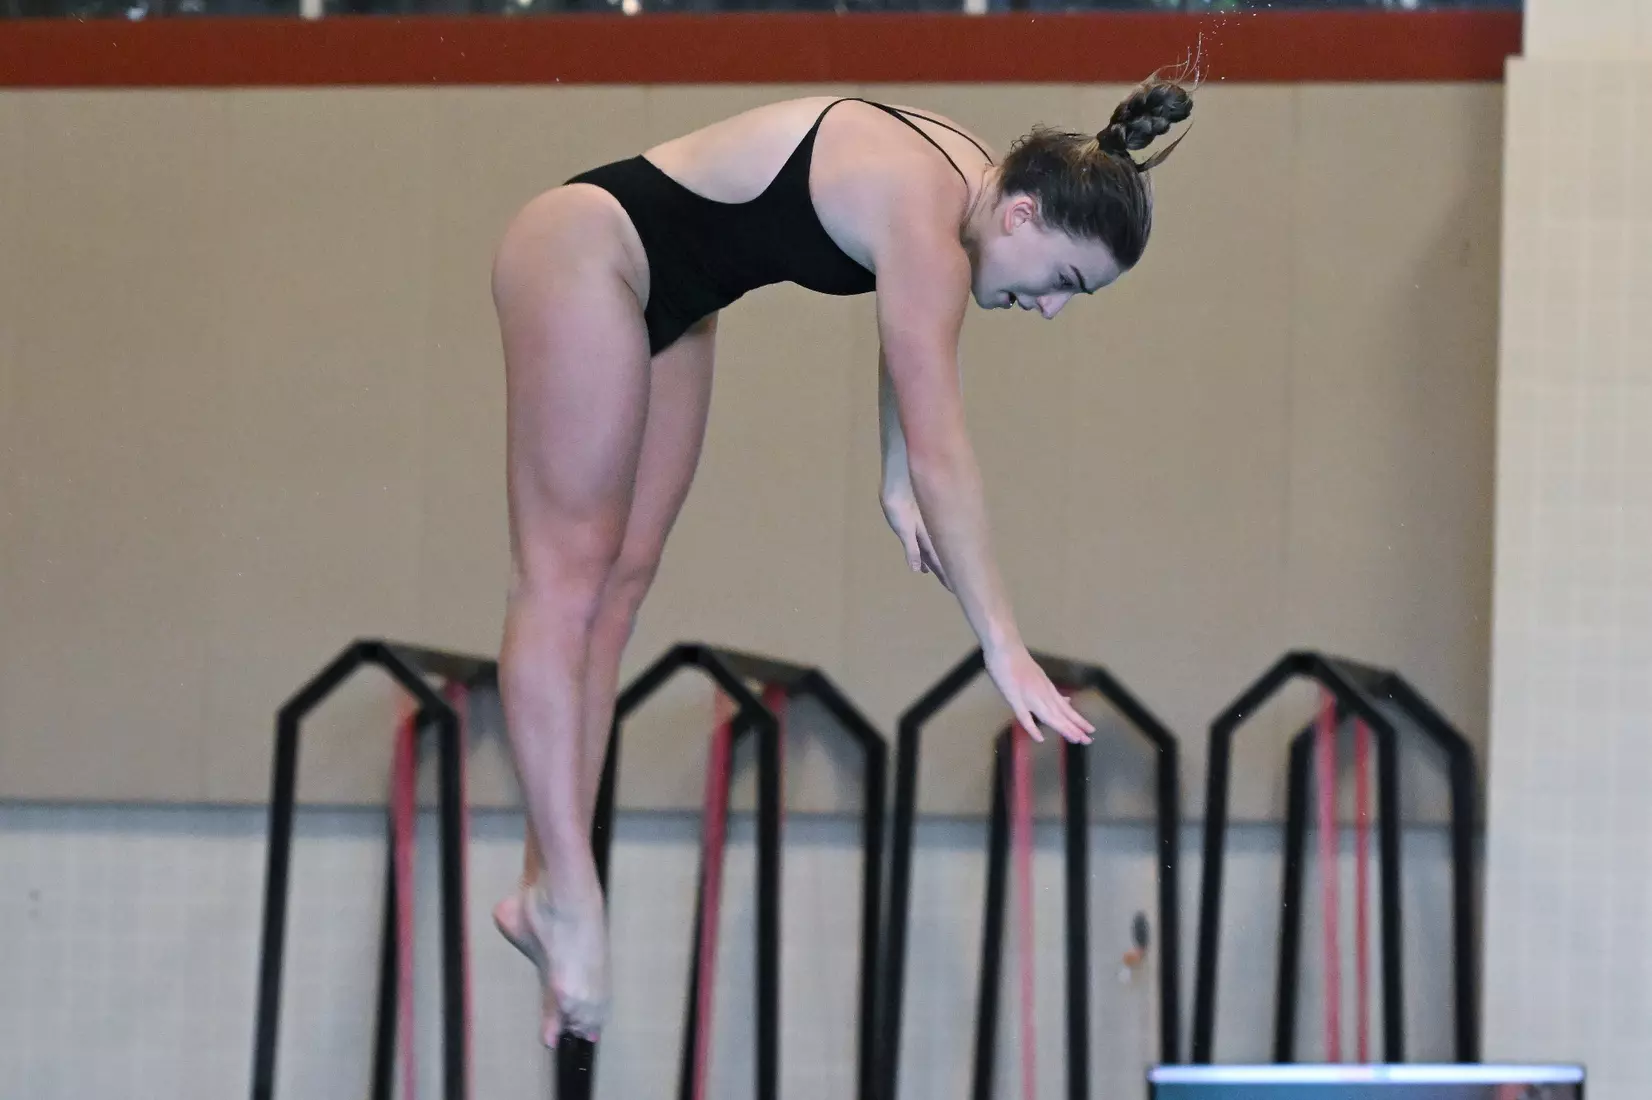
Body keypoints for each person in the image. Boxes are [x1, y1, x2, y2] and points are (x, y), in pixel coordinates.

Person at [487, 76, 1193, 1047]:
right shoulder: (928, 205)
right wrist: (1003, 646)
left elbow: (907, 339)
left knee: (620, 587)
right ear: (1022, 211)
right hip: (583, 252)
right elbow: (948, 432)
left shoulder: (965, 187)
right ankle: (568, 896)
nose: (1048, 310)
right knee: (564, 581)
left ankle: (546, 885)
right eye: (1061, 281)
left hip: (676, 299)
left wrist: (891, 469)